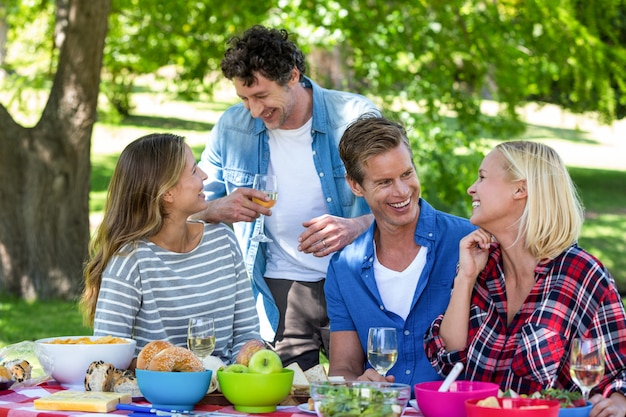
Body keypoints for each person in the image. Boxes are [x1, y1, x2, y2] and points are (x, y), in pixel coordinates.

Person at [197, 25, 379, 369]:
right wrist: (216, 208)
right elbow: (191, 206)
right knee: (287, 393)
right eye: (245, 99)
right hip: (281, 285)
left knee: (357, 388)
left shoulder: (354, 118)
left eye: (262, 96)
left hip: (355, 278)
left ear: (293, 75)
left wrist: (355, 226)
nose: (253, 110)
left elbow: (402, 203)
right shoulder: (232, 128)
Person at [424, 141, 626, 417]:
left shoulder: (580, 275)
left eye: (482, 177)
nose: (472, 188)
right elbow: (447, 360)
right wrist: (465, 279)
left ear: (521, 189)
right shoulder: (484, 266)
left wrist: (619, 401)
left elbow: (616, 374)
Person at [80, 133, 260, 365]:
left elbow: (247, 336)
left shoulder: (223, 240)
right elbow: (107, 358)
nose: (204, 176)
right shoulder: (130, 260)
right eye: (194, 171)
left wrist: (241, 373)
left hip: (227, 392)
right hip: (156, 397)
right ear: (167, 192)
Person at [325, 114, 476, 388]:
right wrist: (358, 384)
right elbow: (342, 368)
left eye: (407, 174)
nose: (402, 191)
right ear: (355, 186)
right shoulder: (344, 267)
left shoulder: (466, 242)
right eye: (384, 182)